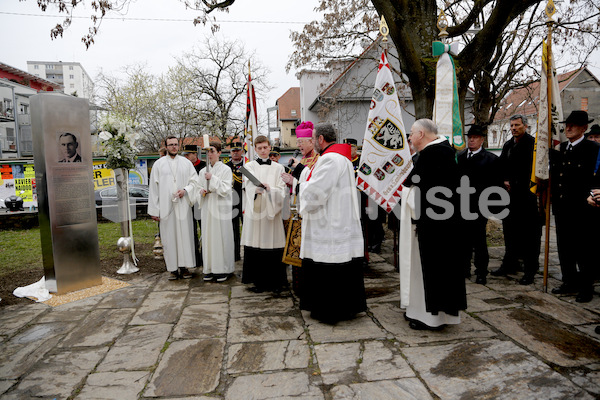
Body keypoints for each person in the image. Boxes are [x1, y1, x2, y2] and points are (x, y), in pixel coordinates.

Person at [400, 119, 467, 331]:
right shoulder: (443, 151)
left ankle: (430, 318)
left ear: (421, 134)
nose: (409, 138)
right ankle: (427, 313)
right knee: (437, 271)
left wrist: (403, 195)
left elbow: (417, 190)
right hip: (442, 224)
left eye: (411, 133)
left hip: (435, 227)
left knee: (432, 271)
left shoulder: (432, 155)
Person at [298, 123, 367, 323]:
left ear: (320, 139)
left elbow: (316, 193)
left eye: (313, 138)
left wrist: (300, 184)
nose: (312, 142)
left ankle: (330, 311)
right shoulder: (342, 158)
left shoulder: (330, 160)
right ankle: (347, 308)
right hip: (339, 219)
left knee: (330, 266)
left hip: (330, 223)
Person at [551, 111, 600, 303]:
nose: (568, 128)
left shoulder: (593, 149)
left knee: (584, 250)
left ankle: (586, 288)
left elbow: (596, 177)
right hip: (563, 208)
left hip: (583, 209)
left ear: (584, 128)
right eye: (567, 125)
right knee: (565, 248)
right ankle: (569, 281)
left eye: (573, 125)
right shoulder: (561, 148)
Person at [492, 114, 542, 282]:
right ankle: (509, 263)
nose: (514, 128)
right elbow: (501, 167)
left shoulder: (533, 145)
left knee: (529, 236)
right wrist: (503, 180)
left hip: (527, 198)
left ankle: (530, 270)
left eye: (517, 125)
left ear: (525, 126)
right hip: (510, 198)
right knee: (510, 233)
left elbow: (533, 171)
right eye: (512, 125)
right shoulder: (508, 145)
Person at [148, 136, 200, 280]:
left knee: (185, 236)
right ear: (166, 146)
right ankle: (172, 269)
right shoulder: (158, 165)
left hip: (183, 206)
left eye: (176, 145)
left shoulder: (186, 163)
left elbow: (195, 182)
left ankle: (184, 267)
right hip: (166, 208)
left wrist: (185, 190)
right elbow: (153, 188)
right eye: (171, 145)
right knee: (169, 238)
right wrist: (154, 210)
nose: (174, 147)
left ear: (179, 146)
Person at [241, 135, 288, 293]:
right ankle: (258, 281)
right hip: (257, 211)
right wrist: (258, 189)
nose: (262, 150)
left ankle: (276, 281)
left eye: (265, 147)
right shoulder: (249, 167)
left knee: (273, 244)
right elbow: (248, 186)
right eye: (259, 148)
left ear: (270, 147)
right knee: (257, 244)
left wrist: (270, 190)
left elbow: (282, 190)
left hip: (272, 213)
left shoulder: (279, 168)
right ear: (255, 149)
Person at [457, 125, 500, 285]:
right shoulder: (461, 157)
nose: (471, 140)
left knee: (479, 241)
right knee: (463, 241)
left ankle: (481, 272)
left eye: (475, 137)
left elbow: (495, 185)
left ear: (482, 139)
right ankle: (464, 268)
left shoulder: (491, 159)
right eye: (469, 137)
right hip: (462, 205)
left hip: (479, 206)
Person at [197, 141, 235, 282]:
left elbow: (225, 189)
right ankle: (210, 268)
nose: (210, 154)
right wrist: (201, 191)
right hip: (208, 206)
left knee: (221, 237)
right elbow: (198, 188)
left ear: (219, 152)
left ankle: (223, 269)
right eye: (207, 152)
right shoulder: (202, 171)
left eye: (212, 151)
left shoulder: (225, 169)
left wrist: (212, 178)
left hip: (220, 206)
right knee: (208, 237)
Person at [182, 144, 206, 269]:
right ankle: (194, 258)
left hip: (201, 202)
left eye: (188, 154)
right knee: (191, 231)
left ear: (195, 154)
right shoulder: (184, 167)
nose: (186, 157)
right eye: (185, 155)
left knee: (204, 229)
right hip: (189, 202)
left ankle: (205, 256)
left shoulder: (203, 166)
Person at [226, 143, 244, 261]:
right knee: (233, 230)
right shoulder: (226, 166)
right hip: (231, 202)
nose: (235, 152)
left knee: (247, 228)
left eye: (237, 150)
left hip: (244, 201)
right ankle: (235, 255)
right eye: (233, 151)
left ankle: (248, 254)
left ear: (242, 151)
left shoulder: (247, 165)